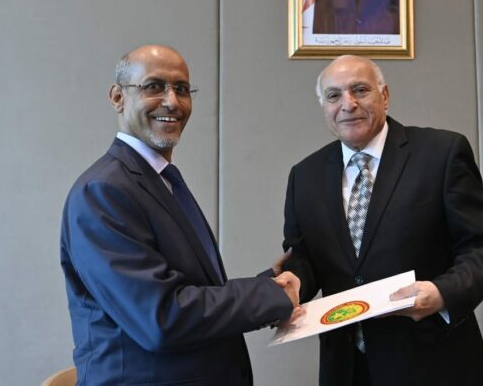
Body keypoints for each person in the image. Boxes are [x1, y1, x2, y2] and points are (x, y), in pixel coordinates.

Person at [60, 44, 302, 385]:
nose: (172, 101)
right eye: (153, 86)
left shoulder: (160, 180)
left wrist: (267, 283)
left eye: (182, 89)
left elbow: (188, 289)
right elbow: (161, 318)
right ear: (117, 97)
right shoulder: (103, 191)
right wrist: (269, 297)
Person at [278, 55, 483, 385]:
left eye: (360, 90)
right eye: (334, 95)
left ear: (384, 95)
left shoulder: (441, 153)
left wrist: (442, 293)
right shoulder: (304, 176)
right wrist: (294, 282)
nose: (348, 104)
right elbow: (304, 258)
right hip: (347, 367)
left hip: (434, 364)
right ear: (324, 106)